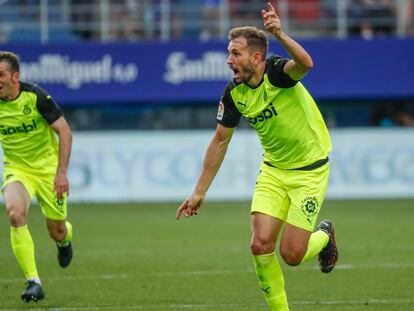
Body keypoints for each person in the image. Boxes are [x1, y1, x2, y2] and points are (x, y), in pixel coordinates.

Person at [176, 3, 338, 310]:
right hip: (274, 171)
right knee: (259, 244)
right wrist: (199, 191)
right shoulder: (234, 93)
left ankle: (324, 236)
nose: (228, 60)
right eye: (229, 52)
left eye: (235, 53)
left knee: (292, 255)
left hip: (309, 171)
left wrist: (278, 33)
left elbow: (305, 64)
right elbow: (220, 141)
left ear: (256, 57)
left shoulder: (278, 73)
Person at [0, 51, 73, 302]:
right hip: (17, 169)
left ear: (15, 77)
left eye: (0, 74)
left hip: (48, 170)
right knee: (15, 213)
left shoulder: (36, 97)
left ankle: (64, 242)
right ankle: (34, 281)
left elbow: (65, 132)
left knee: (57, 231)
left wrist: (61, 173)